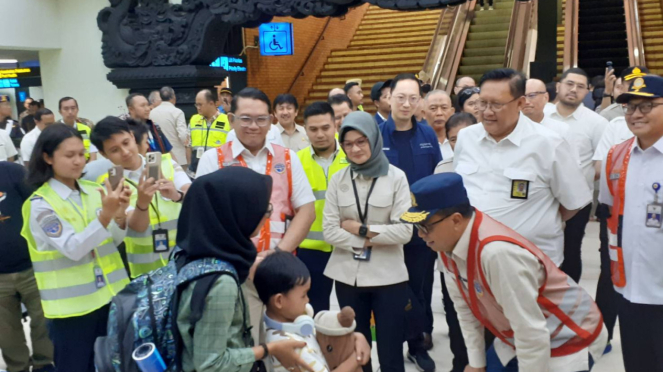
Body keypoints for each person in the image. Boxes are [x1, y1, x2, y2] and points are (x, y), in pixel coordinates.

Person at [401, 172, 608, 372]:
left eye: (425, 226)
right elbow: (465, 309)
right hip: (518, 332)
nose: (420, 235)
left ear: (456, 220)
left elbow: (531, 333)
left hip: (570, 334)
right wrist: (476, 363)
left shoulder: (496, 254)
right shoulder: (445, 244)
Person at [196, 87, 315, 343]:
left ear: (271, 120)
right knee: (243, 347)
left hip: (279, 271)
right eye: (246, 119)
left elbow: (306, 210)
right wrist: (244, 261)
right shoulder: (212, 160)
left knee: (287, 347)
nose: (254, 126)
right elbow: (204, 219)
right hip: (232, 274)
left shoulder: (288, 158)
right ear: (231, 119)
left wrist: (279, 254)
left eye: (261, 119)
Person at [175, 166, 318, 372]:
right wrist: (269, 349)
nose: (267, 216)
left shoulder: (191, 252)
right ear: (235, 213)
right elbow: (211, 364)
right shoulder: (220, 283)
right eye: (263, 208)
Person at [20, 124, 132, 372]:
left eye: (81, 154)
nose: (78, 161)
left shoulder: (95, 191)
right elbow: (73, 248)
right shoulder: (41, 205)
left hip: (111, 299)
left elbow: (112, 241)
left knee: (116, 364)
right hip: (72, 312)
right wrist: (106, 216)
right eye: (69, 156)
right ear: (48, 158)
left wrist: (120, 216)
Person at [454, 68, 592, 268]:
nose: (487, 111)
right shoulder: (467, 138)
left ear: (520, 103)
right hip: (475, 259)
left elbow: (572, 203)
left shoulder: (549, 144)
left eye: (497, 104)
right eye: (482, 103)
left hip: (529, 263)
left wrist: (535, 221)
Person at [323, 111, 412, 372]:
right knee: (356, 349)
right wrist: (372, 238)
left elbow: (405, 232)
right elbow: (329, 231)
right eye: (348, 144)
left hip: (389, 278)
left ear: (373, 139)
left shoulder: (397, 177)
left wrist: (359, 229)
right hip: (347, 277)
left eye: (361, 141)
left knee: (390, 349)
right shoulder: (338, 180)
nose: (355, 149)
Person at [599, 74, 663, 371]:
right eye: (629, 107)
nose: (635, 114)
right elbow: (610, 211)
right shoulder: (616, 155)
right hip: (630, 288)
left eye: (646, 106)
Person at [379, 73, 440, 371]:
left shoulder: (427, 135)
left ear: (420, 101)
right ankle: (393, 344)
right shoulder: (376, 135)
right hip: (388, 228)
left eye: (412, 98)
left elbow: (435, 180)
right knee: (393, 290)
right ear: (389, 98)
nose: (406, 103)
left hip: (421, 228)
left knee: (420, 289)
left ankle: (418, 344)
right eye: (400, 97)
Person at [91, 117, 191, 278]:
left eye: (126, 143)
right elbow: (137, 226)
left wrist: (176, 195)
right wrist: (142, 204)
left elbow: (194, 197)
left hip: (185, 258)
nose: (125, 152)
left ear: (132, 136)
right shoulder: (109, 184)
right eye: (114, 150)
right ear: (103, 154)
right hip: (146, 272)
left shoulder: (166, 163)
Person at [254, 251, 371, 372]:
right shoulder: (292, 346)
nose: (308, 300)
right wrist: (356, 358)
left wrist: (357, 336)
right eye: (303, 295)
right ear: (279, 301)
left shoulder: (280, 326)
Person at [544, 67, 608, 282]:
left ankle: (568, 305)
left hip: (577, 202)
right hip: (541, 197)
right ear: (559, 86)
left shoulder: (596, 122)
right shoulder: (540, 114)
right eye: (569, 84)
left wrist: (580, 180)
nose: (573, 90)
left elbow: (601, 162)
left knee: (571, 250)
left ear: (588, 91)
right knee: (540, 250)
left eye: (580, 86)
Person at [0, 162, 55, 372]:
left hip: (31, 266)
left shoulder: (11, 171)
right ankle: (17, 368)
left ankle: (44, 364)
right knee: (6, 332)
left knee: (43, 321)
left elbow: (39, 204)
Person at [297, 102, 349, 313]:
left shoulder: (353, 157)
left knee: (352, 309)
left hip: (347, 247)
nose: (320, 134)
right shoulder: (297, 161)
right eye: (313, 129)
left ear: (335, 125)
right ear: (305, 129)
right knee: (314, 311)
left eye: (325, 128)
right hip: (310, 251)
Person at [522, 79, 580, 161]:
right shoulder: (509, 129)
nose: (526, 101)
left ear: (546, 97)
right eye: (522, 97)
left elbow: (573, 165)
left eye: (532, 95)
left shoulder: (562, 130)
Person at [187, 89, 232, 174]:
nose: (198, 107)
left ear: (211, 103)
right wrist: (190, 165)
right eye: (196, 104)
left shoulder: (226, 121)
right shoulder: (194, 119)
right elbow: (188, 145)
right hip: (194, 172)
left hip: (217, 172)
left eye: (200, 104)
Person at [149, 86, 189, 168]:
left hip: (159, 156)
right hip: (178, 157)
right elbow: (183, 136)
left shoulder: (152, 113)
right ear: (173, 97)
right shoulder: (178, 112)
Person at [57, 97, 98, 161]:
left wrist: (89, 168)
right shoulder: (55, 130)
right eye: (66, 109)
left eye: (73, 108)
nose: (70, 112)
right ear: (60, 112)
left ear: (77, 110)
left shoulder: (86, 128)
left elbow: (93, 152)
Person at [424, 89, 456, 160]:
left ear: (452, 112)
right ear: (424, 113)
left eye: (444, 108)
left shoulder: (460, 139)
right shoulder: (419, 141)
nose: (439, 113)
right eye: (433, 108)